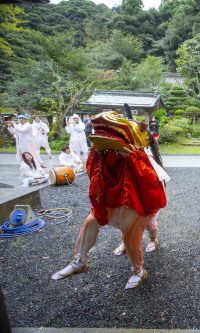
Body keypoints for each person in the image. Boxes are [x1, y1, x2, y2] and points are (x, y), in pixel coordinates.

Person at [52, 111, 167, 289]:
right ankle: (80, 261)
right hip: (112, 201)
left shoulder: (140, 154)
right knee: (90, 222)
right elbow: (93, 175)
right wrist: (96, 153)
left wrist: (132, 158)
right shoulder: (102, 154)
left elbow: (151, 181)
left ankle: (141, 265)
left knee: (138, 234)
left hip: (139, 203)